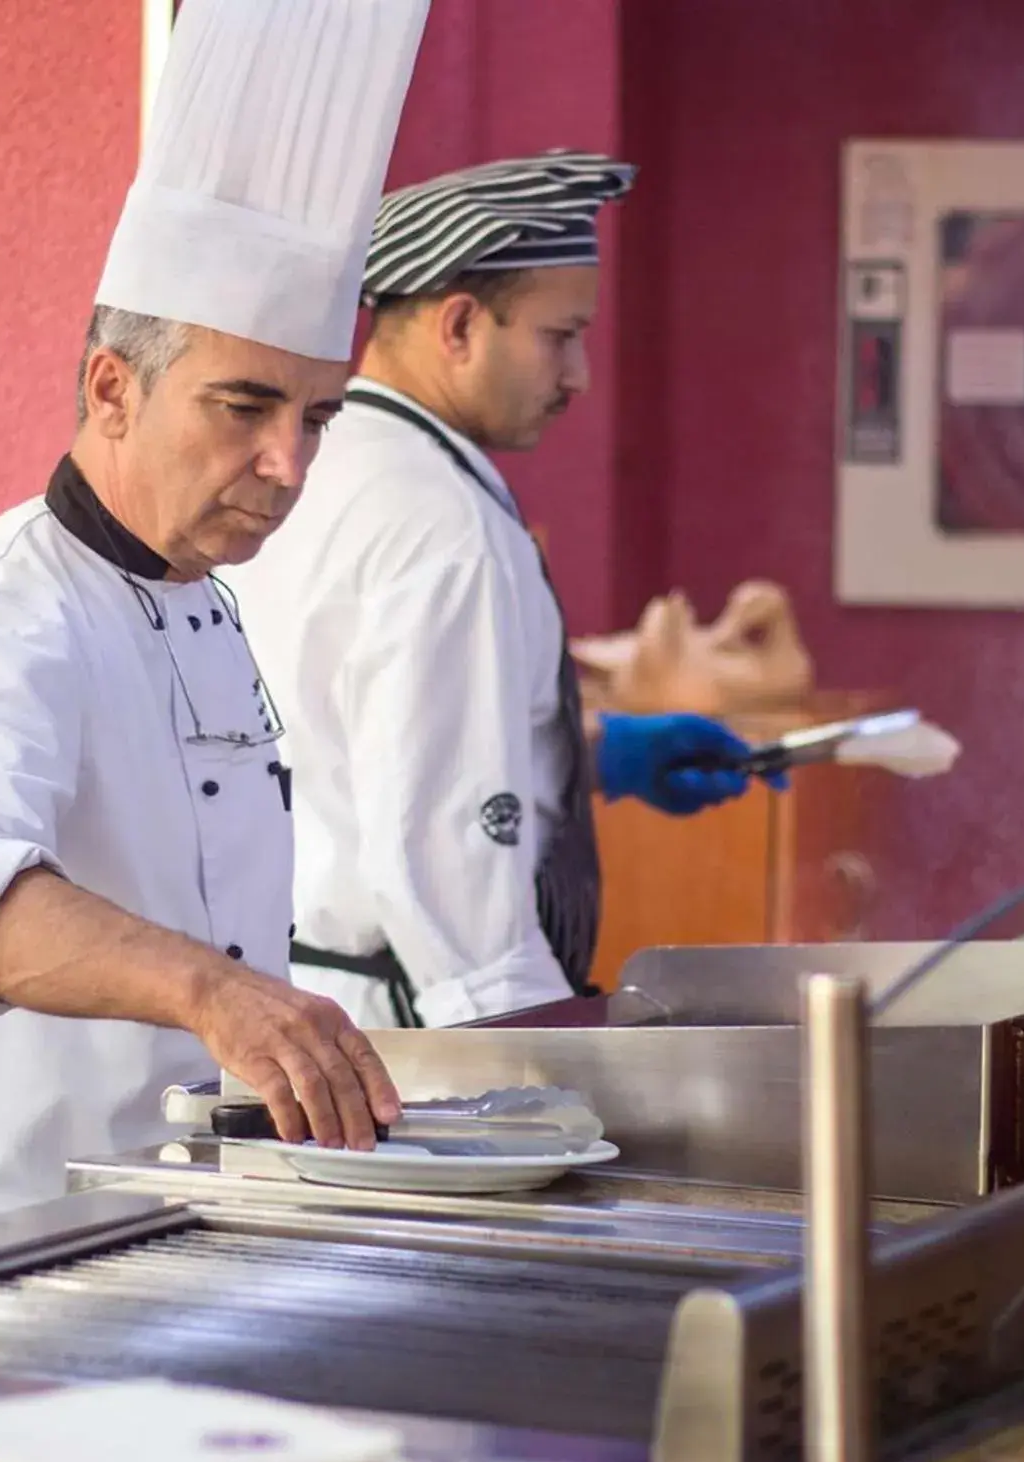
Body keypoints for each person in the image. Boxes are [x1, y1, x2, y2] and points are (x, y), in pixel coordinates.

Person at [0, 0, 431, 1241]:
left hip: (174, 1232)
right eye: (243, 407)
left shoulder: (206, 602)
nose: (287, 463)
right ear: (112, 388)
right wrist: (216, 996)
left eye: (314, 417)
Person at [226, 151, 778, 1034]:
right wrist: (534, 1064)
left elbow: (368, 743)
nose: (579, 377)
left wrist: (587, 753)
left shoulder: (325, 464)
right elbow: (448, 851)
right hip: (411, 1033)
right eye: (559, 337)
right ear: (458, 327)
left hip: (305, 990)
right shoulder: (444, 527)